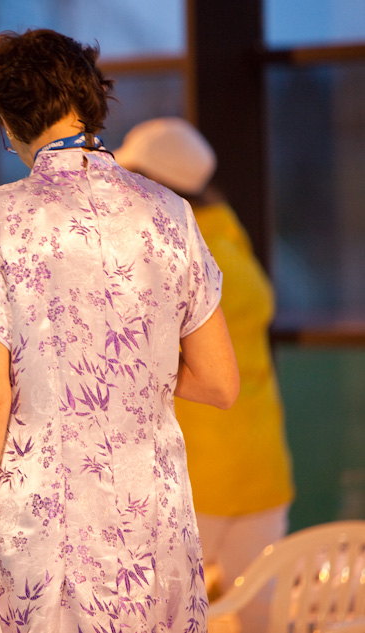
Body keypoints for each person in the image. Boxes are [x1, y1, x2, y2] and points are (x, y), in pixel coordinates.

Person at [0, 30, 239, 632]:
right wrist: (127, 361)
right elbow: (219, 383)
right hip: (155, 529)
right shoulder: (171, 212)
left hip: (43, 531)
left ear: (8, 124)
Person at [115, 116, 294, 629]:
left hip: (195, 472)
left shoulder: (163, 246)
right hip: (260, 462)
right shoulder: (228, 233)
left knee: (164, 615)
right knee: (261, 613)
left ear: (150, 183)